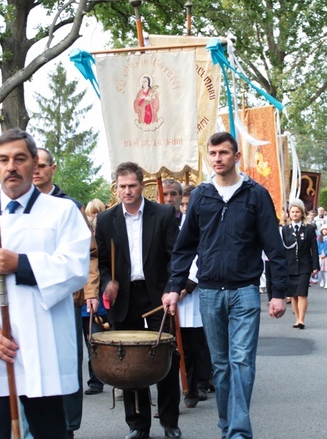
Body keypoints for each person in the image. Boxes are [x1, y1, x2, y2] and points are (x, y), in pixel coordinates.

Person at [0, 128, 90, 439]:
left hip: (44, 345)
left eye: (20, 158)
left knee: (50, 432)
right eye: (3, 159)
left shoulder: (62, 211)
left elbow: (76, 267)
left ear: (34, 163)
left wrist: (20, 264)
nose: (11, 166)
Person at [162, 131, 289, 439]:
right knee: (221, 366)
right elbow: (185, 246)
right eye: (213, 153)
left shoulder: (255, 194)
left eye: (223, 153)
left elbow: (274, 246)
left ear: (236, 156)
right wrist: (174, 286)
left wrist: (279, 293)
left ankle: (238, 433)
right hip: (209, 293)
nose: (217, 158)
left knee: (242, 362)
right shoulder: (202, 196)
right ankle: (227, 425)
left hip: (245, 291)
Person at [95, 162, 182, 439]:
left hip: (157, 294)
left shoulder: (164, 214)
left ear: (141, 186)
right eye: (122, 186)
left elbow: (175, 258)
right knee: (128, 364)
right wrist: (107, 284)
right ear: (116, 187)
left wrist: (172, 289)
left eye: (132, 186)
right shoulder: (107, 220)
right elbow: (102, 263)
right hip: (125, 297)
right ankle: (137, 425)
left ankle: (170, 421)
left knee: (165, 353)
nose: (127, 191)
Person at [32, 147, 93, 437]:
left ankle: (68, 424)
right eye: (33, 164)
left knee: (67, 360)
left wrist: (88, 290)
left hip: (65, 296)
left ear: (52, 169)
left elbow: (89, 253)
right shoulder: (19, 205)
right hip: (29, 296)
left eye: (42, 165)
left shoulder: (69, 206)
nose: (36, 170)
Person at [168, 183, 213, 409]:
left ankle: (197, 385)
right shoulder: (166, 221)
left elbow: (199, 254)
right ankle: (176, 392)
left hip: (192, 291)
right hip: (171, 293)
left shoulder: (201, 221)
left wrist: (187, 284)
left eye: (187, 202)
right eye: (182, 203)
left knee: (195, 344)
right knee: (173, 347)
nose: (184, 207)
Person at [281, 199, 320, 326]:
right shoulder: (285, 230)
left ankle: (301, 319)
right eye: (292, 212)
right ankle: (296, 318)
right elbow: (282, 249)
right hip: (290, 266)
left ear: (302, 213)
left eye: (297, 212)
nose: (295, 214)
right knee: (293, 295)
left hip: (304, 265)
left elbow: (314, 248)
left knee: (302, 293)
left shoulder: (308, 229)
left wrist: (315, 266)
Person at [83, 198, 107, 396]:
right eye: (92, 213)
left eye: (98, 212)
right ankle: (95, 379)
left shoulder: (103, 237)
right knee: (89, 340)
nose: (95, 217)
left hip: (99, 298)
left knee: (97, 339)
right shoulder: (85, 237)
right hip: (81, 300)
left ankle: (100, 377)